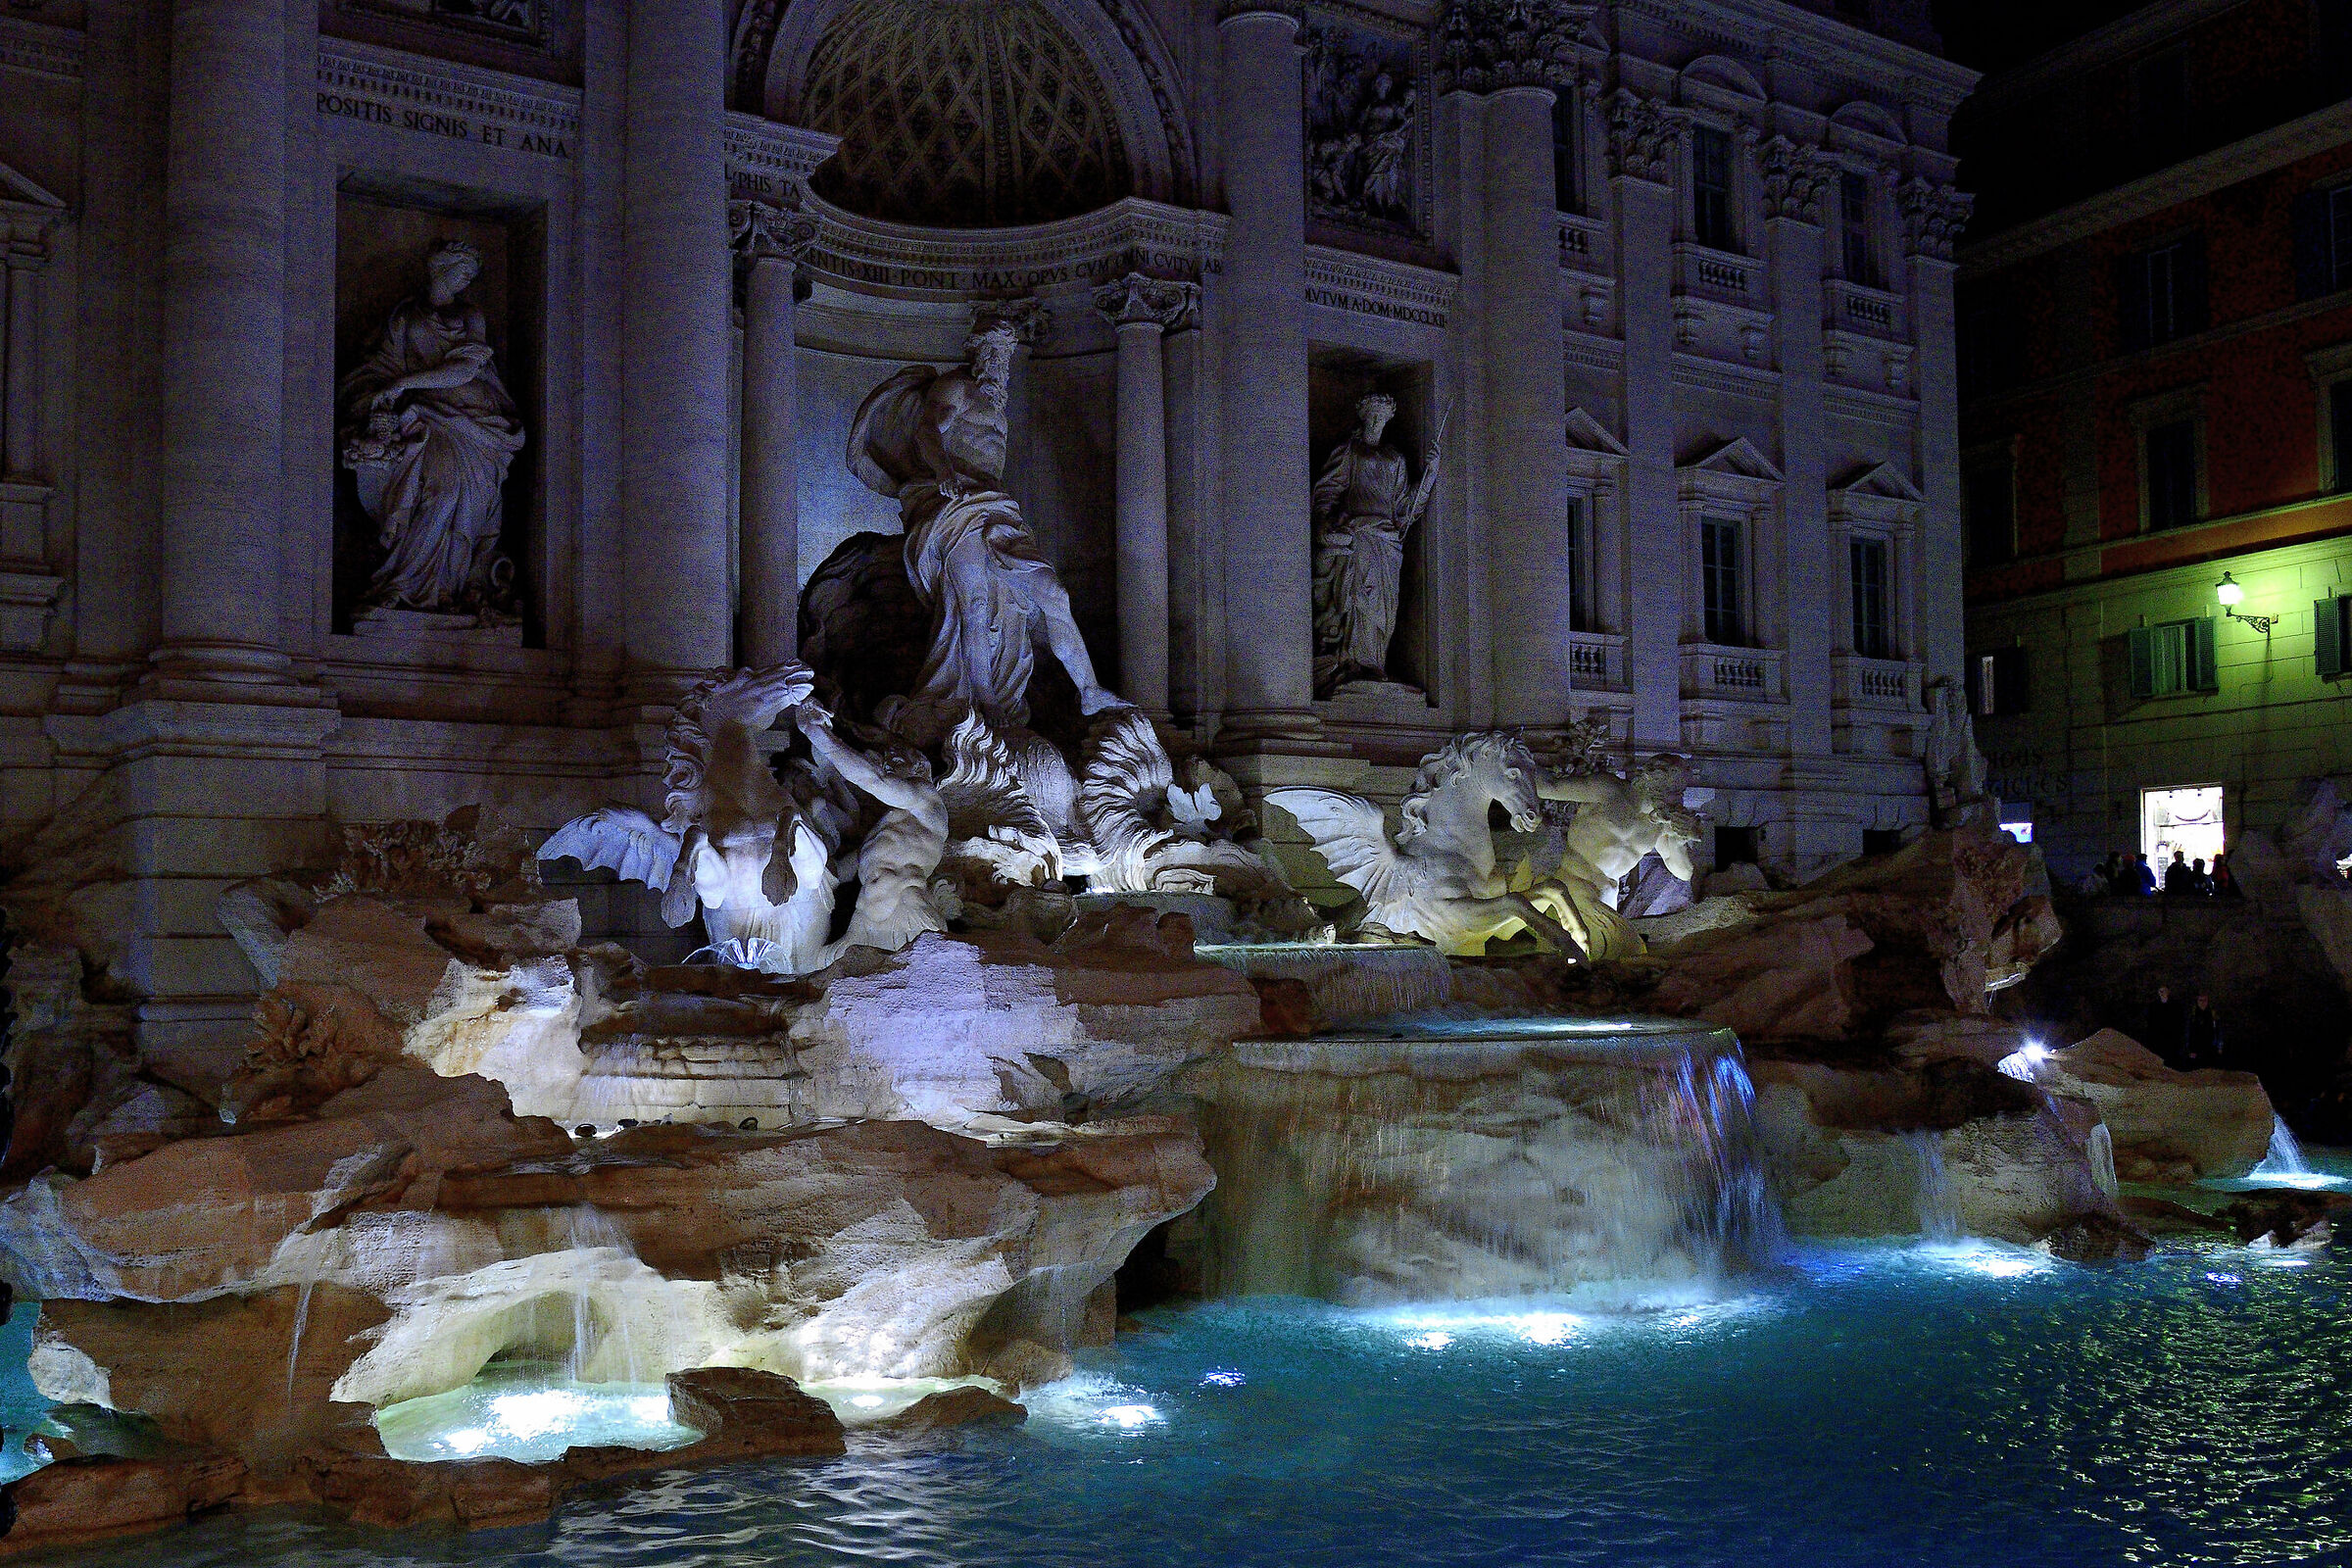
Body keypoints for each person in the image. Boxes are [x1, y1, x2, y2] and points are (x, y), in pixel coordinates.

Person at [2145, 983, 2187, 1064]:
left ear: (2168, 992)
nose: (2162, 993)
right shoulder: (2154, 1006)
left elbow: (2180, 1021)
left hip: (2171, 1036)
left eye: (2164, 991)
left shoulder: (2175, 1005)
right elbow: (2150, 1021)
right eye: (2160, 991)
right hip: (2158, 1037)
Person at [2183, 991, 2223, 1067]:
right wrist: (2189, 1050)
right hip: (2195, 1050)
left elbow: (2219, 1031)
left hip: (2210, 1049)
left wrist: (2219, 1047)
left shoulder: (2213, 1015)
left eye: (2205, 1000)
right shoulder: (2192, 1016)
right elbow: (2188, 1033)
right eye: (2200, 1000)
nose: (2202, 1002)